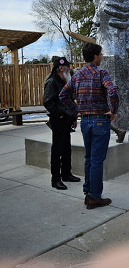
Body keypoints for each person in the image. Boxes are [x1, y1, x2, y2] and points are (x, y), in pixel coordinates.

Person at [59, 43, 119, 210]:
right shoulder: (101, 73)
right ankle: (94, 196)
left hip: (85, 122)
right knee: (97, 160)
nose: (101, 57)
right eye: (100, 54)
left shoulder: (77, 76)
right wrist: (113, 111)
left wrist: (76, 110)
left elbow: (63, 94)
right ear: (95, 57)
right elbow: (113, 92)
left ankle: (88, 191)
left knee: (89, 158)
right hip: (100, 121)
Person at [43, 57, 81, 190]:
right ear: (61, 67)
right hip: (58, 120)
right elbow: (47, 101)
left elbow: (70, 101)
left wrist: (73, 118)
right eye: (67, 66)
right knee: (58, 149)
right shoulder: (52, 81)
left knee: (66, 148)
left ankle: (66, 174)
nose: (70, 68)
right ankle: (56, 179)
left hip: (67, 119)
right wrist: (58, 113)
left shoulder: (65, 81)